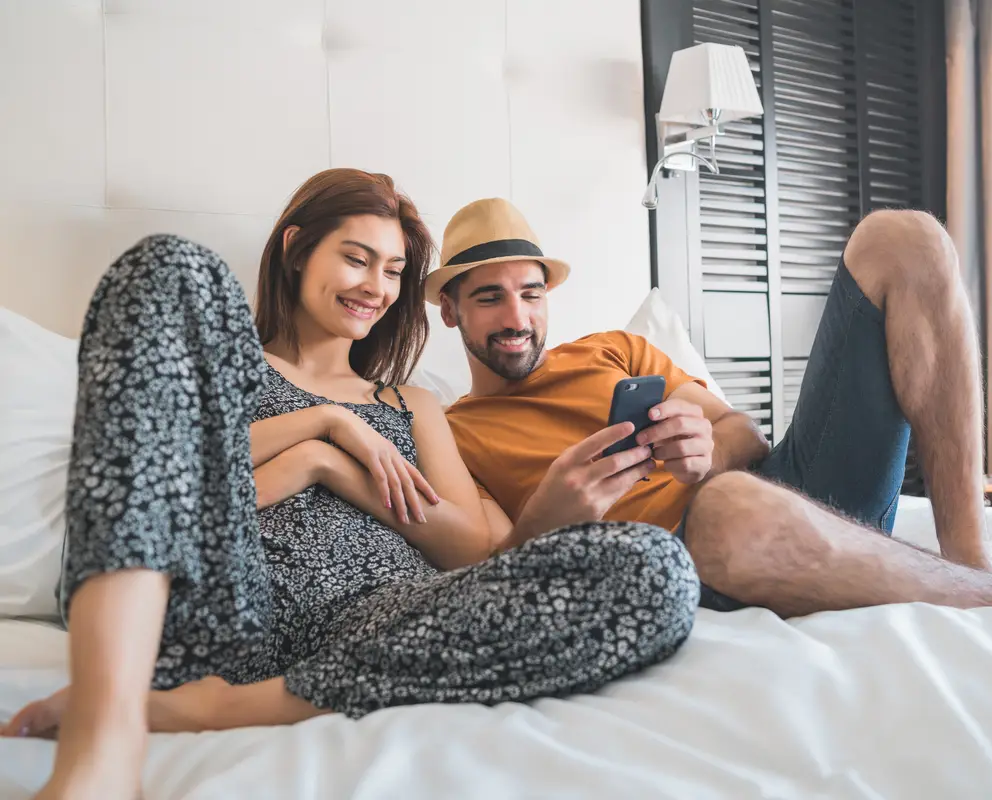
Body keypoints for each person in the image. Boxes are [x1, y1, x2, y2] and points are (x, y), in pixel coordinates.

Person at [1, 171, 699, 799]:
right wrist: (323, 425)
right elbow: (164, 482)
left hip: (387, 614)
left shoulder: (412, 404)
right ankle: (104, 739)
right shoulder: (227, 371)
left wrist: (331, 464)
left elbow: (467, 551)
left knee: (654, 567)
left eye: (393, 270)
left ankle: (209, 707)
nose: (376, 286)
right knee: (165, 267)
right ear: (298, 248)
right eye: (356, 258)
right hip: (235, 604)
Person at [437, 197, 992, 616]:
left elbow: (745, 432)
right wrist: (554, 512)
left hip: (789, 489)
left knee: (904, 239)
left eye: (530, 293)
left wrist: (706, 443)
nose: (517, 316)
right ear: (450, 312)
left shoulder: (611, 351)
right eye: (489, 297)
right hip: (695, 563)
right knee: (729, 506)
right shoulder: (452, 436)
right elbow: (485, 573)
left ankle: (972, 556)